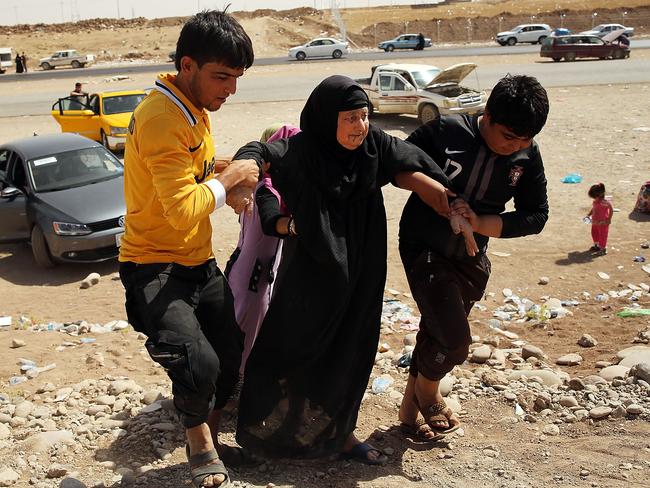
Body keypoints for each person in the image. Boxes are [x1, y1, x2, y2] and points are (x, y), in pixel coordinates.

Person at [233, 75, 457, 464]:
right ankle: (267, 435)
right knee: (290, 347)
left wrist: (440, 194)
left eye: (364, 116)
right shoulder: (302, 150)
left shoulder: (373, 146)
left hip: (363, 272)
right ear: (326, 118)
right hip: (312, 273)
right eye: (350, 118)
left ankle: (342, 435)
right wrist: (246, 167)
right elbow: (262, 153)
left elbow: (408, 162)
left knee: (352, 352)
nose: (360, 126)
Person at [118, 9, 259, 488]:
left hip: (197, 261)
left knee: (230, 352)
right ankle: (198, 442)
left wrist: (228, 171)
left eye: (236, 79)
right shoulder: (161, 117)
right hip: (153, 266)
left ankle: (213, 442)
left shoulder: (191, 108)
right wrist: (234, 179)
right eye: (222, 77)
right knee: (197, 362)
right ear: (187, 66)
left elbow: (194, 171)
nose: (230, 90)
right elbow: (182, 208)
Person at [397, 74, 550, 438]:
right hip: (424, 246)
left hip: (470, 255)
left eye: (525, 140)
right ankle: (428, 392)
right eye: (509, 137)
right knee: (454, 339)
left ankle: (407, 412)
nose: (515, 146)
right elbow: (398, 166)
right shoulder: (446, 131)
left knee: (434, 325)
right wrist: (443, 199)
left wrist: (479, 222)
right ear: (488, 115)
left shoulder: (526, 155)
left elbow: (536, 214)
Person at [225, 123, 301, 374]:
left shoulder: (261, 185)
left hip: (253, 275)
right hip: (253, 279)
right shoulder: (268, 190)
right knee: (243, 347)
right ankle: (228, 404)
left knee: (243, 341)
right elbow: (271, 224)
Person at [586, 182, 613, 255]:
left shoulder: (604, 202)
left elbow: (611, 209)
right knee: (594, 232)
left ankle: (602, 248)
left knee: (602, 235)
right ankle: (597, 245)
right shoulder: (596, 201)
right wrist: (589, 214)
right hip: (595, 221)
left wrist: (609, 219)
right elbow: (594, 208)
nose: (594, 198)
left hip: (603, 222)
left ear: (599, 195)